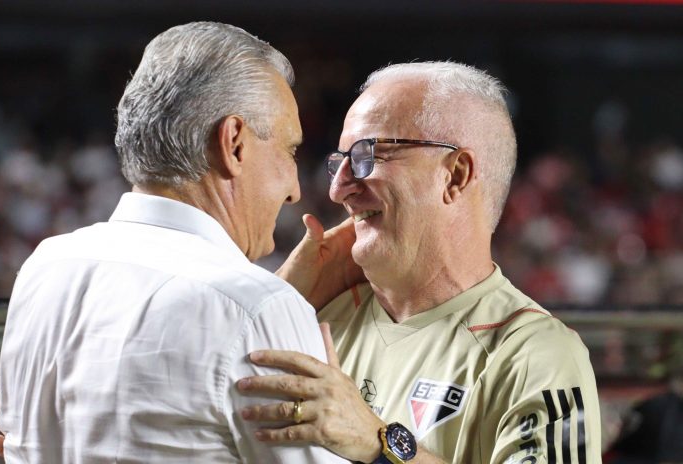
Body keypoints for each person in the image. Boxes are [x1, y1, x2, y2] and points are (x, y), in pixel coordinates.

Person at [0, 21, 350, 463]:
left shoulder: (45, 266)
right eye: (289, 150)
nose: (295, 188)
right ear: (234, 143)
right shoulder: (258, 306)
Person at [236, 62, 602, 463]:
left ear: (455, 176)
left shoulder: (534, 355)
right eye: (338, 160)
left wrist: (381, 444)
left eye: (368, 155)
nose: (338, 188)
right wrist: (283, 298)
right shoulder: (313, 314)